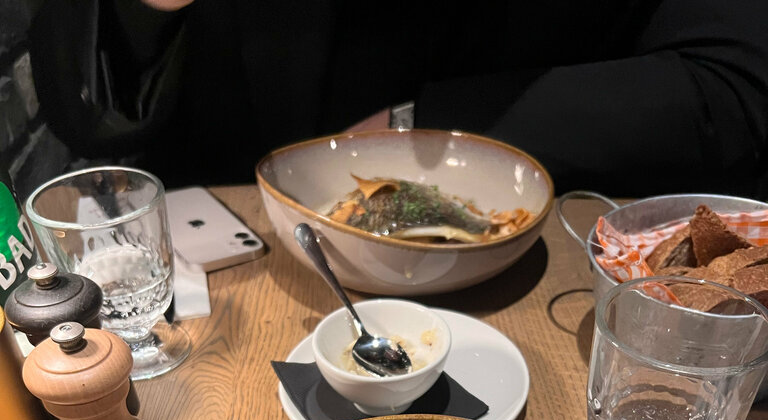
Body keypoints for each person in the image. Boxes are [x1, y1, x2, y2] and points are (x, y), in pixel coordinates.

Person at [28, 0, 768, 199]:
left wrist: (424, 127)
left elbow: (734, 82)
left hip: (538, 265)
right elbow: (88, 112)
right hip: (241, 276)